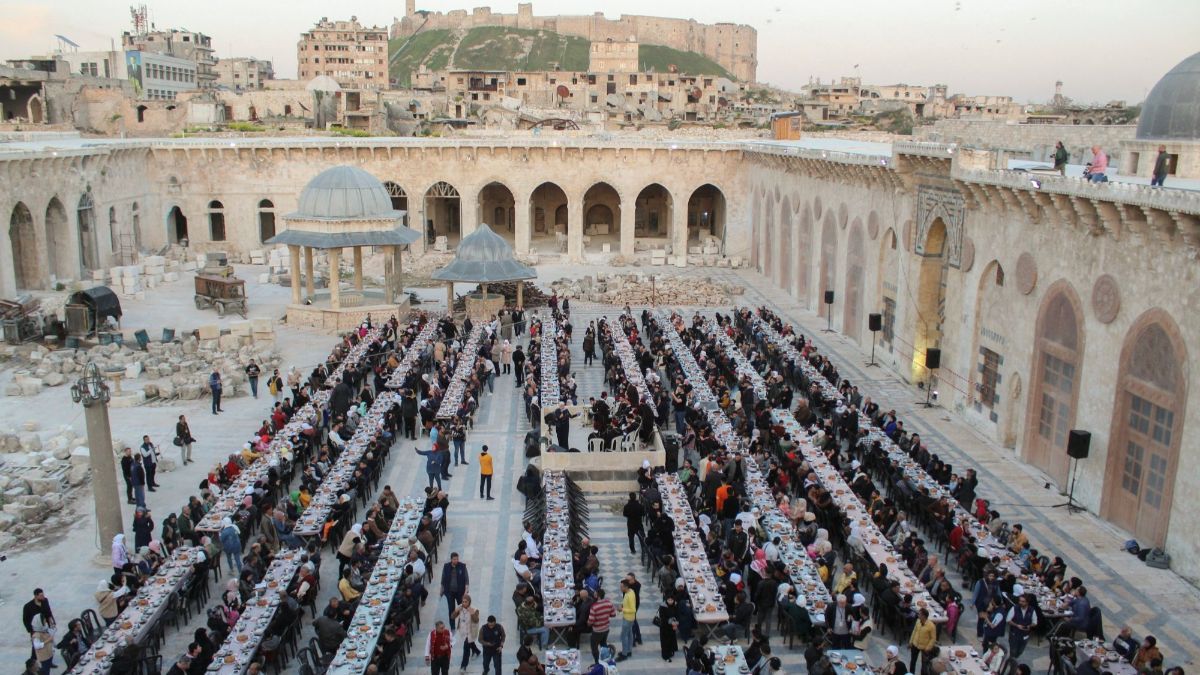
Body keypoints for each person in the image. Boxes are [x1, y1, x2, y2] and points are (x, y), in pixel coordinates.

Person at [452, 594, 481, 673]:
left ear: (469, 602)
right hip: (463, 632)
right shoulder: (460, 608)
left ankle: (463, 666)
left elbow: (476, 620)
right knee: (470, 643)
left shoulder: (474, 609)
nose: (464, 603)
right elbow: (452, 617)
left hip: (470, 632)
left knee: (466, 649)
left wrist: (471, 611)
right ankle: (477, 651)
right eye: (463, 601)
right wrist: (456, 610)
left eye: (466, 602)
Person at [588, 588, 617, 664]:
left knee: (594, 648)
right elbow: (613, 614)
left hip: (597, 631)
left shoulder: (594, 607)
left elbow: (591, 621)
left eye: (595, 593)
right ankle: (606, 659)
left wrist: (588, 623)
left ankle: (597, 663)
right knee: (603, 644)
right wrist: (605, 615)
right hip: (606, 629)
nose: (593, 594)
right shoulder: (609, 603)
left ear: (598, 596)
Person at [440, 553, 470, 621]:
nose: (456, 560)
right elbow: (443, 578)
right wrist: (441, 590)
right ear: (451, 559)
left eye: (457, 559)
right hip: (450, 592)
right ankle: (452, 626)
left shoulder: (462, 566)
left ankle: (462, 621)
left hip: (460, 592)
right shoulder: (446, 566)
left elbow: (466, 579)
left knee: (462, 608)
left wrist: (466, 591)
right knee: (451, 609)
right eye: (454, 559)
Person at [1006, 593, 1037, 659]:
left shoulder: (1032, 610)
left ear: (1027, 602)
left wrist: (1030, 626)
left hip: (1025, 635)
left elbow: (1035, 622)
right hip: (1014, 634)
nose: (1020, 602)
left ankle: (1014, 659)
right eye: (1020, 601)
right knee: (1013, 651)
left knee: (1020, 651)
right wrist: (1017, 625)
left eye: (1023, 601)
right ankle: (1011, 661)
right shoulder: (1014, 608)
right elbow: (1008, 620)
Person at [908, 608, 936, 673]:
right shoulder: (918, 621)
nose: (918, 615)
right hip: (915, 644)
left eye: (919, 614)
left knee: (924, 665)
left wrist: (928, 647)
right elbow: (914, 631)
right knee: (912, 661)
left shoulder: (931, 626)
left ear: (924, 616)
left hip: (924, 647)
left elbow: (933, 638)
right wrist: (910, 642)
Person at [616, 580, 636, 660]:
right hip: (630, 618)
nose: (620, 588)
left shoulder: (629, 595)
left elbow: (633, 609)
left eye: (622, 587)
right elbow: (625, 602)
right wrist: (622, 604)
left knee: (624, 636)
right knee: (629, 634)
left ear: (626, 587)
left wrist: (622, 609)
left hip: (628, 619)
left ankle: (624, 654)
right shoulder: (630, 591)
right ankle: (629, 651)